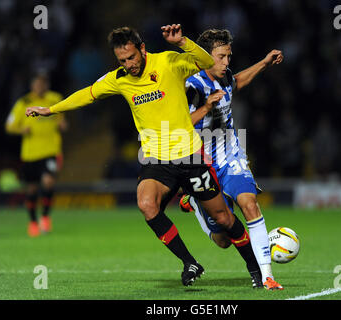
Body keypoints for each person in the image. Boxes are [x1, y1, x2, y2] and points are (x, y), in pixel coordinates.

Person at [25, 24, 262, 288]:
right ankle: (189, 262)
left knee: (224, 220)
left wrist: (182, 41)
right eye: (122, 60)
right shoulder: (119, 78)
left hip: (190, 156)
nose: (128, 64)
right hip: (156, 160)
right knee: (147, 204)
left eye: (131, 58)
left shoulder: (169, 62)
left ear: (142, 49)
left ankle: (255, 269)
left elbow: (205, 60)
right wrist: (52, 109)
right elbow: (88, 94)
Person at [178, 29, 284, 289]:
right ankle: (194, 201)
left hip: (231, 156)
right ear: (205, 57)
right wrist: (206, 108)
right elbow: (179, 126)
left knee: (250, 205)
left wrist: (264, 63)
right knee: (223, 239)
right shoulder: (192, 85)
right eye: (221, 57)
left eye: (229, 56)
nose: (227, 62)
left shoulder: (224, 77)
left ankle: (267, 276)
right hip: (202, 165)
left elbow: (238, 81)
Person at [6, 73, 67, 237]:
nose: (39, 87)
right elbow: (9, 125)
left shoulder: (54, 98)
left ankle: (45, 217)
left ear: (46, 85)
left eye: (42, 84)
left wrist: (62, 124)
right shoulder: (23, 103)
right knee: (31, 189)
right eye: (36, 84)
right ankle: (33, 222)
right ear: (32, 86)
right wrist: (21, 130)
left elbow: (61, 118)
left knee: (48, 182)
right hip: (30, 154)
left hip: (50, 151)